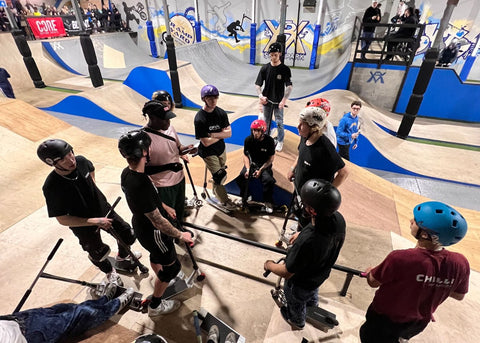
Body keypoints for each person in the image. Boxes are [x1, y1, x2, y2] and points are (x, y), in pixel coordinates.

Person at [360, 201, 469, 342]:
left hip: (384, 319)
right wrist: (433, 284)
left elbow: (373, 282)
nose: (411, 221)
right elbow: (459, 295)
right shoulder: (460, 263)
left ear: (424, 235)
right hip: (418, 323)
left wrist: (370, 272)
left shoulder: (401, 258)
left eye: (416, 221)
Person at [37, 139, 140, 287]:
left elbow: (91, 169)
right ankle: (110, 272)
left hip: (103, 208)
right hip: (82, 223)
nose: (71, 159)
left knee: (127, 235)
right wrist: (94, 222)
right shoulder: (51, 186)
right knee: (98, 253)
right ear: (52, 163)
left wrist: (92, 185)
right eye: (63, 159)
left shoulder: (81, 161)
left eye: (70, 153)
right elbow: (62, 219)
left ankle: (122, 258)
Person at [118, 130, 194, 316]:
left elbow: (149, 201)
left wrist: (165, 206)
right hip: (154, 232)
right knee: (173, 267)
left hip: (142, 225)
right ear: (144, 152)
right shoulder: (140, 182)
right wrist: (179, 234)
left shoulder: (128, 173)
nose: (150, 149)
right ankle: (155, 305)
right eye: (148, 146)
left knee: (157, 255)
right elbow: (158, 221)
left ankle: (161, 276)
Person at [263, 179, 346, 329]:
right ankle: (312, 304)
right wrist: (301, 233)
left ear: (313, 211)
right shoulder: (339, 220)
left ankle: (297, 320)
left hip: (300, 283)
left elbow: (286, 272)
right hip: (320, 273)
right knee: (311, 293)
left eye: (306, 204)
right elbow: (320, 233)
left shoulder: (307, 242)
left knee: (296, 301)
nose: (303, 206)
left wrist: (269, 265)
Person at [0, 283, 134, 342]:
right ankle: (115, 305)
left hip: (14, 320)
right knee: (82, 315)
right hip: (29, 336)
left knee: (64, 308)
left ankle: (105, 299)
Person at [142, 95, 196, 223]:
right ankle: (170, 238)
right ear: (152, 118)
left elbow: (178, 147)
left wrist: (186, 149)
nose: (168, 122)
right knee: (167, 217)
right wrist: (168, 166)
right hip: (163, 186)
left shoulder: (170, 128)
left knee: (179, 211)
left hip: (179, 179)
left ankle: (180, 230)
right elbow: (142, 170)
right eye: (165, 120)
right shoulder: (144, 139)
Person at [194, 84, 235, 210]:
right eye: (210, 98)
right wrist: (221, 135)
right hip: (208, 152)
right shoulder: (200, 119)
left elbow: (229, 133)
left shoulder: (221, 113)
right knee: (219, 176)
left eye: (215, 98)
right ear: (204, 99)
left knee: (222, 173)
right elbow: (205, 143)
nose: (213, 101)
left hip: (221, 149)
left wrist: (213, 134)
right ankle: (224, 200)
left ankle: (216, 190)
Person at [255, 42, 293, 152]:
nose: (273, 57)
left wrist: (283, 100)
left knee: (279, 122)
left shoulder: (285, 69)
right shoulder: (265, 68)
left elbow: (289, 86)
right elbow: (257, 85)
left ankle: (280, 141)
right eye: (271, 55)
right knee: (266, 122)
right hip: (267, 100)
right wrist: (260, 96)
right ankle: (266, 140)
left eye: (275, 55)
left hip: (278, 101)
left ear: (280, 54)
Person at [235, 119, 276, 212]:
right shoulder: (248, 140)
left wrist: (261, 170)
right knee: (240, 178)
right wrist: (248, 169)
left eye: (257, 131)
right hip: (252, 163)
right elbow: (245, 155)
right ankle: (245, 196)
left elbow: (271, 159)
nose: (255, 133)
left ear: (263, 131)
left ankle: (268, 202)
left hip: (264, 165)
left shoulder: (269, 141)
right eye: (254, 130)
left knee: (269, 181)